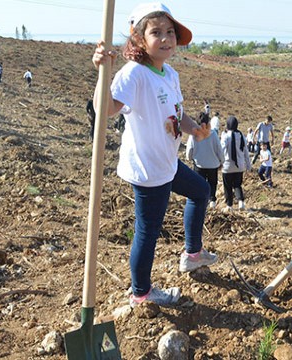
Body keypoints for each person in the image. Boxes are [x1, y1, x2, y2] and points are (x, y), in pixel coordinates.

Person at [91, 2, 217, 306]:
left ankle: (192, 254)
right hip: (148, 169)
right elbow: (105, 110)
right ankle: (141, 293)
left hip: (167, 163)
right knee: (148, 231)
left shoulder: (169, 73)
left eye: (170, 32)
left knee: (201, 191)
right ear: (138, 38)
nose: (166, 38)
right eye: (156, 32)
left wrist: (194, 130)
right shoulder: (134, 74)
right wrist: (100, 73)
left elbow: (178, 114)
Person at [186, 111, 224, 209]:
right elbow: (219, 149)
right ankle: (212, 201)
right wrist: (222, 161)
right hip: (213, 164)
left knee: (199, 184)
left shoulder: (193, 134)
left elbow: (189, 150)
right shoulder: (213, 134)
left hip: (199, 164)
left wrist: (189, 158)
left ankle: (201, 203)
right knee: (212, 182)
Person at [221, 115, 251, 211]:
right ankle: (241, 201)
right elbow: (245, 151)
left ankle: (229, 205)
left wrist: (219, 162)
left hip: (227, 166)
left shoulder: (225, 136)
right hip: (239, 165)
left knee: (227, 186)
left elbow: (222, 149)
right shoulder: (241, 135)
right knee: (237, 184)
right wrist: (248, 165)